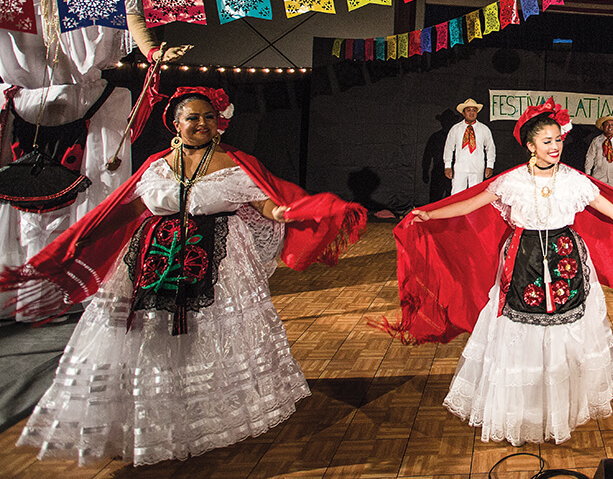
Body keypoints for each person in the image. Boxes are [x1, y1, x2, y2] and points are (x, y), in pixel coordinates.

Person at [1, 87, 366, 466]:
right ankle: (154, 418)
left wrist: (289, 213)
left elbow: (267, 202)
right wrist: (81, 239)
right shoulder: (157, 166)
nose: (202, 124)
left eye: (209, 117)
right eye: (193, 118)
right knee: (148, 336)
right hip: (152, 261)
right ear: (176, 124)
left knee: (207, 334)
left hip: (219, 260)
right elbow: (129, 210)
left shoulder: (235, 162)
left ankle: (206, 419)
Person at [382, 97, 613, 445]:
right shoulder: (512, 182)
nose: (555, 147)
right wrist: (431, 215)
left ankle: (557, 408)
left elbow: (611, 209)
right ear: (530, 145)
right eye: (547, 141)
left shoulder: (574, 180)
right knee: (519, 334)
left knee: (564, 335)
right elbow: (470, 203)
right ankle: (523, 410)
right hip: (524, 262)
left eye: (558, 140)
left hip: (566, 261)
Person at [0, 0, 190, 319]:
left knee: (91, 203)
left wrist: (154, 54)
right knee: (14, 205)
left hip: (89, 108)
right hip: (19, 105)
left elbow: (138, 26)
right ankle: (17, 292)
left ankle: (83, 288)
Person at [443, 98, 496, 194]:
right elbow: (449, 147)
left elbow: (490, 148)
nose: (471, 113)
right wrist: (447, 166)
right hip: (460, 167)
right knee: (457, 194)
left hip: (477, 167)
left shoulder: (484, 129)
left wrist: (490, 166)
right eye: (468, 110)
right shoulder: (456, 129)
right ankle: (457, 210)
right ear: (463, 113)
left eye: (474, 110)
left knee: (476, 195)